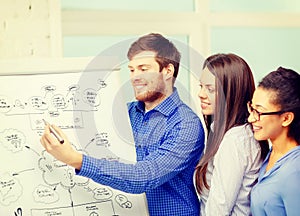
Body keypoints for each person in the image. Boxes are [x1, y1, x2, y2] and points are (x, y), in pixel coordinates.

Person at [40, 33, 205, 216]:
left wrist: (74, 159)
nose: (135, 77)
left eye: (143, 69)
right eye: (132, 70)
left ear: (168, 71)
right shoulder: (124, 114)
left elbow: (145, 176)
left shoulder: (186, 124)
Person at [194, 53, 269, 215]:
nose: (201, 94)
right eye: (201, 86)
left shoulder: (234, 140)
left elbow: (218, 210)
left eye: (210, 89)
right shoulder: (231, 133)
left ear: (232, 93)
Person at [248, 67, 300, 216]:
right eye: (251, 109)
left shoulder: (294, 173)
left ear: (286, 118)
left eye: (259, 112)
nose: (251, 118)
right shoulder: (273, 153)